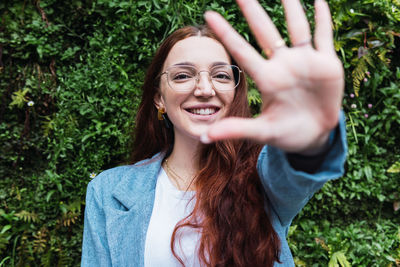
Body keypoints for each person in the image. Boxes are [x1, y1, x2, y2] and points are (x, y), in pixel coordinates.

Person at [81, 0, 347, 266]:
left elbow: (295, 171)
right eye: (183, 76)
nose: (205, 89)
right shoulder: (108, 191)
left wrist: (310, 134)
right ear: (159, 98)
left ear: (235, 92)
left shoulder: (262, 178)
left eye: (221, 75)